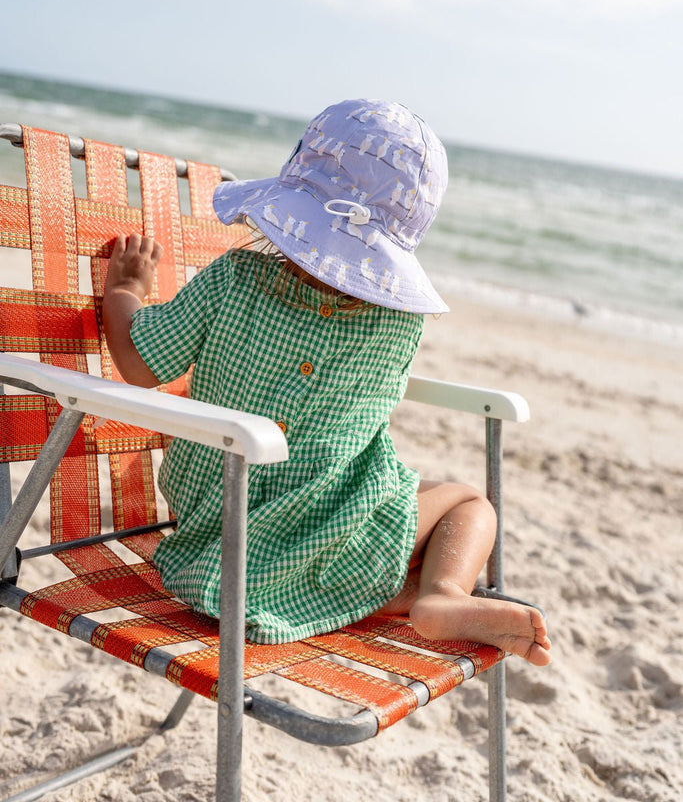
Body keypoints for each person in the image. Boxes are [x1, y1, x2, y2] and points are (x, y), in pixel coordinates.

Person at [103, 98, 550, 666]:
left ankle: (393, 594)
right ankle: (441, 593)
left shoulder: (233, 279)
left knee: (395, 493)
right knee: (469, 504)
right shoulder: (401, 324)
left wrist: (126, 291)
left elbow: (139, 365)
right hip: (345, 535)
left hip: (217, 525)